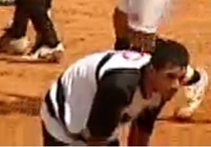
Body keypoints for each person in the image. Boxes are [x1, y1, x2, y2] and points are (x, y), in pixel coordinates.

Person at [39, 39, 190, 146]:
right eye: (170, 77)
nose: (176, 85)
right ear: (151, 71)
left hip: (100, 120)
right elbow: (96, 141)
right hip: (62, 116)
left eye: (180, 78)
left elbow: (142, 129)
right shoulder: (119, 88)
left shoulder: (162, 84)